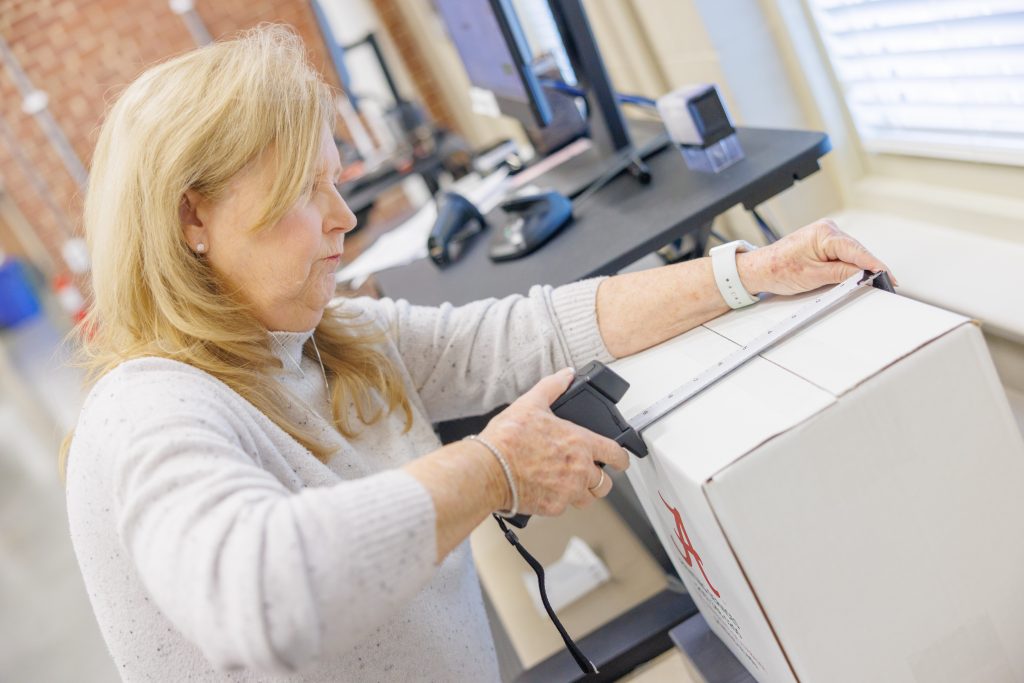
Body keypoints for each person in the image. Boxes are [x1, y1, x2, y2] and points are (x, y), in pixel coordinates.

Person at [65, 26, 891, 682]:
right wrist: (494, 468)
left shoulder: (320, 342)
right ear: (190, 222)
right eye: (301, 196)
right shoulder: (149, 409)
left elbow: (529, 331)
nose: (342, 220)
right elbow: (264, 598)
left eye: (336, 185)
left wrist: (750, 271)